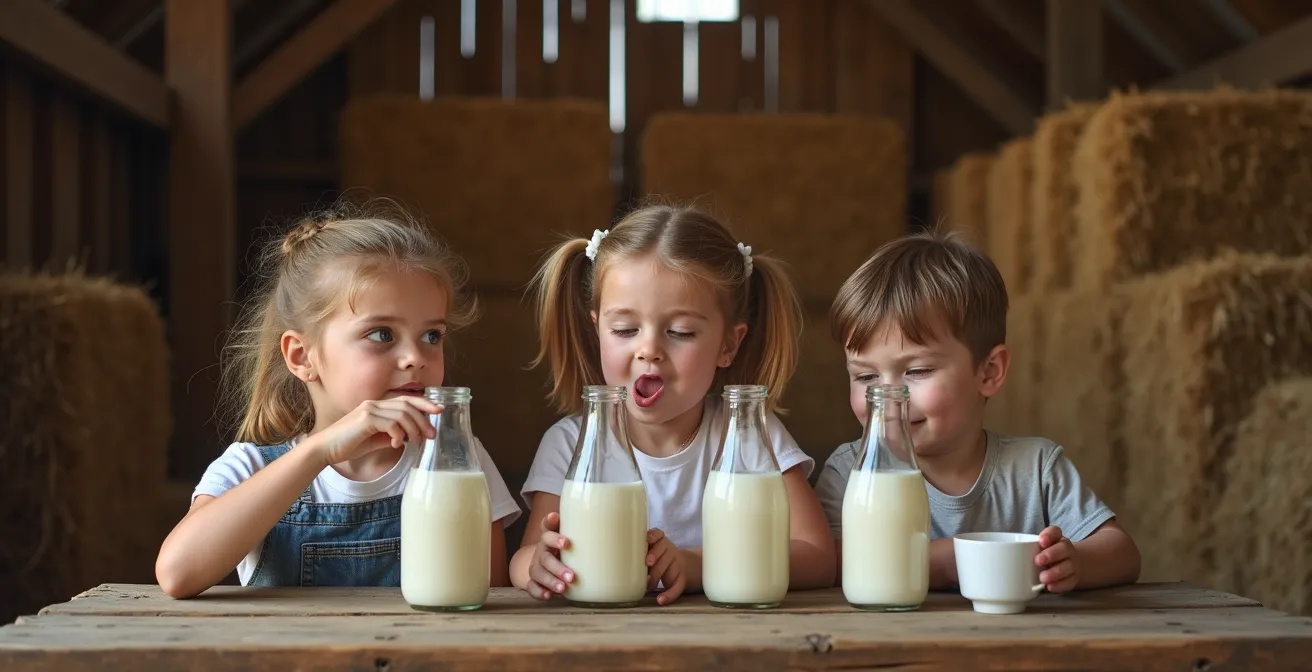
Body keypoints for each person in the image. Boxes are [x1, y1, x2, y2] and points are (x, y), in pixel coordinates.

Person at [155, 204, 521, 598]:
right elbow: (178, 574)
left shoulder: (458, 461)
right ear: (301, 356)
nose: (416, 356)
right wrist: (319, 452)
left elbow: (487, 595)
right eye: (381, 334)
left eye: (432, 335)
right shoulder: (249, 467)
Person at [511, 203, 836, 605]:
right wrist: (538, 566)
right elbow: (524, 556)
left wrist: (698, 564)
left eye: (681, 332)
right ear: (598, 331)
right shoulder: (571, 443)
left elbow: (818, 556)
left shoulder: (750, 437)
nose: (649, 350)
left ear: (728, 344)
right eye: (625, 329)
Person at [814, 229, 1140, 593]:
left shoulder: (1034, 468)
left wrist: (1075, 562)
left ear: (989, 372)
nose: (889, 397)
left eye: (918, 371)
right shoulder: (851, 471)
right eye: (866, 376)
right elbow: (828, 561)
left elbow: (1122, 552)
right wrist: (941, 562)